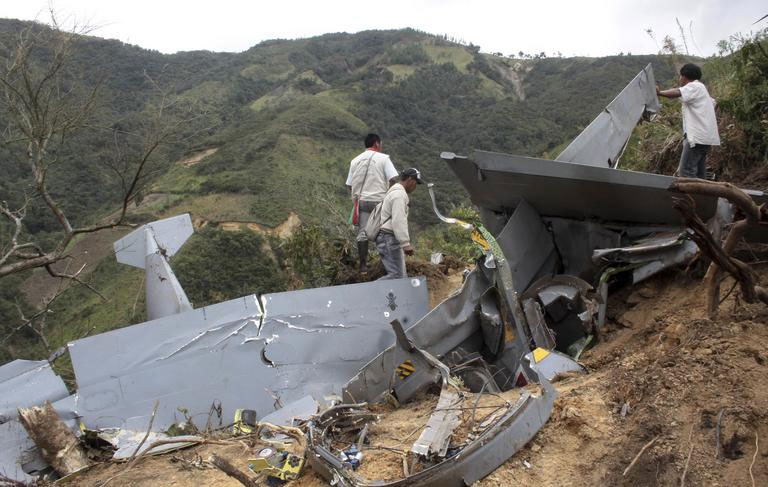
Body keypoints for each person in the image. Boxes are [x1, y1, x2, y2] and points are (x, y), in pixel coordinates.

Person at [657, 63, 720, 179]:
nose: (680, 79)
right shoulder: (701, 90)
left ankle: (690, 197)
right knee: (699, 173)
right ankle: (703, 196)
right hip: (705, 137)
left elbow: (677, 92)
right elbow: (713, 103)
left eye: (680, 76)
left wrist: (659, 93)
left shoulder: (695, 86)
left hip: (697, 138)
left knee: (686, 171)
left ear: (684, 77)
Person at [346, 133, 398, 273]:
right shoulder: (384, 158)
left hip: (362, 202)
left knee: (363, 233)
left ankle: (363, 265)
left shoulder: (354, 160)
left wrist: (357, 196)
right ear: (377, 144)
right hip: (379, 201)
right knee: (385, 232)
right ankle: (387, 264)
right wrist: (389, 195)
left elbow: (349, 185)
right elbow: (393, 179)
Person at [376, 168, 423, 280]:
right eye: (416, 183)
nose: (415, 186)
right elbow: (398, 220)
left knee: (399, 276)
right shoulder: (399, 195)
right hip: (389, 238)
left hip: (386, 238)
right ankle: (366, 292)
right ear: (410, 179)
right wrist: (405, 243)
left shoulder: (394, 191)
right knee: (397, 276)